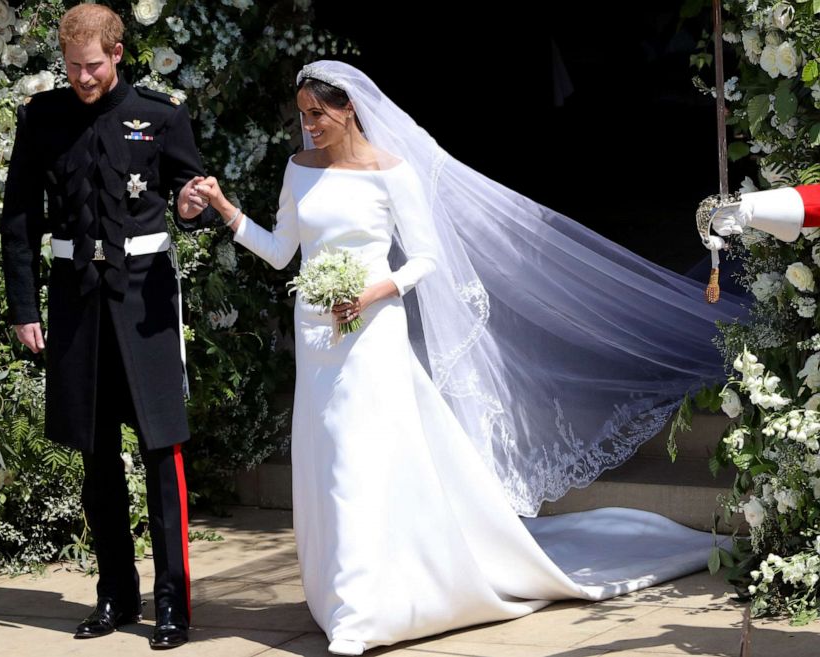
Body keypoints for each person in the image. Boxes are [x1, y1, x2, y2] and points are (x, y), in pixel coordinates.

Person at [196, 61, 747, 655]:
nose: (310, 126)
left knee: (359, 459)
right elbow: (282, 255)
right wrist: (226, 209)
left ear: (349, 107)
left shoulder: (392, 172)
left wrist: (376, 291)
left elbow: (426, 257)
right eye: (303, 115)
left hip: (372, 331)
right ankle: (338, 592)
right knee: (324, 457)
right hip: (316, 336)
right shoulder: (299, 169)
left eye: (319, 113)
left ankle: (360, 613)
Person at [0, 4, 217, 650]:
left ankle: (173, 602)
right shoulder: (43, 119)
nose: (84, 78)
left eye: (93, 66)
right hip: (75, 303)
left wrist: (189, 204)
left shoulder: (161, 115)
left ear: (118, 53)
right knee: (97, 463)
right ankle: (116, 593)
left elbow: (192, 195)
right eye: (72, 68)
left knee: (162, 454)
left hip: (144, 302)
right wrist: (24, 306)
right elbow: (19, 217)